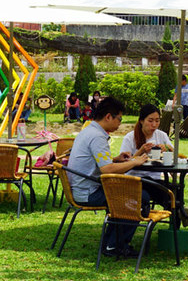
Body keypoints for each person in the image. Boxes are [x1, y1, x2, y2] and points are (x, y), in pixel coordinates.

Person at [67, 97, 149, 258]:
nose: (120, 123)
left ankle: (112, 243)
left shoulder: (89, 130)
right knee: (139, 197)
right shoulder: (97, 136)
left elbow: (101, 163)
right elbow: (107, 170)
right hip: (88, 193)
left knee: (134, 195)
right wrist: (135, 162)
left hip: (82, 188)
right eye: (119, 119)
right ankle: (115, 245)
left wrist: (116, 159)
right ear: (108, 117)